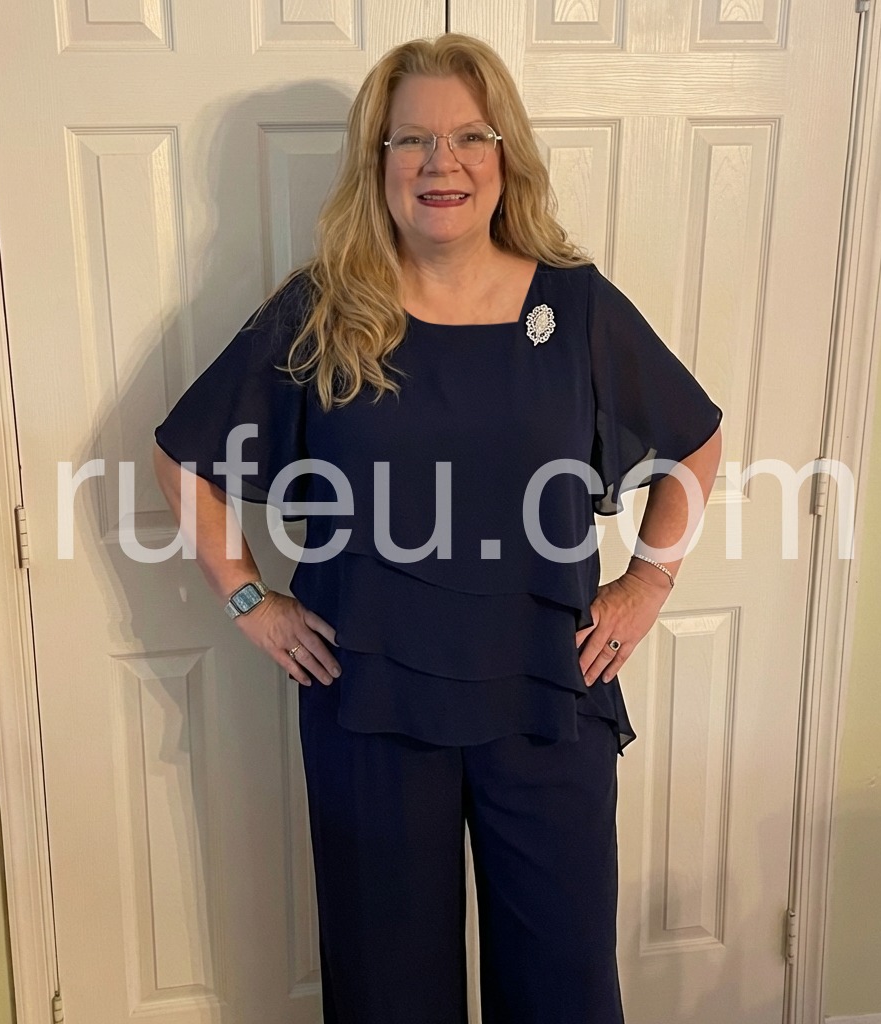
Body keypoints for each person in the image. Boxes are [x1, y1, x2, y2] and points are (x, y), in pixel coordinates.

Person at [153, 32, 722, 1024]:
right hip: (368, 702)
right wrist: (247, 599)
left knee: (563, 986)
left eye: (468, 136)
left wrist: (647, 582)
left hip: (547, 692)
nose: (439, 162)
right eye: (410, 139)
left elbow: (695, 443)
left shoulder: (574, 306)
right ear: (377, 162)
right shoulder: (325, 310)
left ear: (506, 156)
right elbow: (184, 454)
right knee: (387, 990)